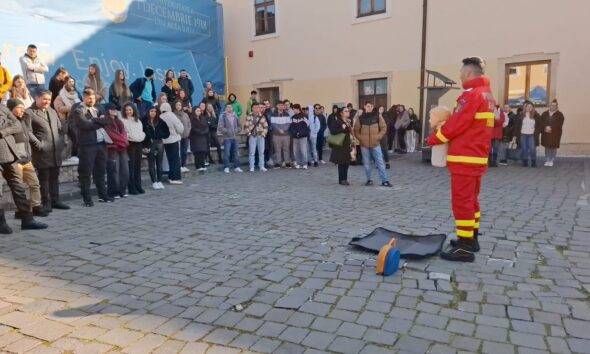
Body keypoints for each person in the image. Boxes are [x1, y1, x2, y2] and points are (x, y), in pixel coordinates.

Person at [426, 57, 496, 262]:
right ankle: (471, 238)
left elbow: (456, 125)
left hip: (465, 157)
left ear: (468, 74)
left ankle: (465, 247)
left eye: (460, 73)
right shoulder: (487, 95)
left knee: (462, 202)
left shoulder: (472, 96)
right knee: (471, 201)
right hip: (476, 157)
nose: (459, 76)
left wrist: (433, 139)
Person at [0, 105, 48, 232]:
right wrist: (6, 124)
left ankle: (27, 219)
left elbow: (17, 124)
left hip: (10, 154)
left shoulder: (2, 108)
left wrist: (3, 131)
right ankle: (1, 223)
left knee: (19, 188)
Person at [24, 90, 71, 212]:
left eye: (49, 100)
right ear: (37, 98)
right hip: (41, 152)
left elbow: (60, 129)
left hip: (55, 151)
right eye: (44, 99)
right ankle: (46, 203)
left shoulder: (52, 111)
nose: (47, 102)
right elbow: (28, 132)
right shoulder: (29, 112)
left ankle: (56, 201)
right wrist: (39, 144)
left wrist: (60, 143)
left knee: (54, 177)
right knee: (44, 178)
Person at [71, 88, 112, 206]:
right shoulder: (79, 110)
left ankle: (103, 196)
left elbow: (107, 120)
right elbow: (84, 125)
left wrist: (94, 120)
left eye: (93, 98)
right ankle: (87, 199)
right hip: (87, 145)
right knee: (86, 172)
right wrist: (99, 122)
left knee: (100, 171)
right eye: (89, 98)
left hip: (101, 144)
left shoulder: (97, 109)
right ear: (84, 97)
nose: (91, 100)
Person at [354, 101, 392, 187]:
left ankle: (384, 180)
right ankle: (369, 179)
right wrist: (361, 138)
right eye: (368, 106)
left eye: (371, 106)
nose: (370, 107)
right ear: (364, 107)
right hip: (364, 145)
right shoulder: (360, 118)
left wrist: (378, 136)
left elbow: (383, 128)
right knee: (366, 164)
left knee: (380, 163)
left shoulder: (378, 116)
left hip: (376, 144)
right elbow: (356, 130)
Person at [102, 103, 129, 198]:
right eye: (112, 109)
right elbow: (112, 135)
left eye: (115, 109)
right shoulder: (105, 122)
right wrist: (123, 142)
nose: (114, 111)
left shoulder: (119, 122)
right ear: (107, 110)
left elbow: (124, 133)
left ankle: (123, 189)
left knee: (125, 170)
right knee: (114, 170)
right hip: (112, 148)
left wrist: (123, 142)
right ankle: (114, 191)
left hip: (122, 148)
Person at [121, 103, 145, 195]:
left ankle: (138, 185)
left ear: (133, 110)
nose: (128, 112)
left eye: (130, 110)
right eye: (126, 110)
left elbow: (141, 131)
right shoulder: (123, 121)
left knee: (137, 166)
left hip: (139, 143)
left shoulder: (138, 121)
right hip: (130, 144)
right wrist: (130, 137)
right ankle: (131, 187)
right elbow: (125, 133)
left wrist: (142, 136)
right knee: (131, 166)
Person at [142, 106, 169, 189]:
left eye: (155, 111)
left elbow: (167, 133)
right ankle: (154, 182)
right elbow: (142, 134)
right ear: (148, 112)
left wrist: (160, 135)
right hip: (149, 144)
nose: (153, 113)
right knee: (151, 164)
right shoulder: (143, 121)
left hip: (159, 143)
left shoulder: (161, 121)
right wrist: (144, 145)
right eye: (151, 111)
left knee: (159, 163)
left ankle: (159, 181)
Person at [158, 103, 184, 184]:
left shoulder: (160, 117)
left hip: (164, 141)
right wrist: (178, 133)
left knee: (170, 159)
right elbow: (180, 127)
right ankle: (174, 177)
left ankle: (170, 176)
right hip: (173, 140)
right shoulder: (172, 115)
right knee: (175, 159)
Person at [329, 106, 354, 185]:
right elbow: (333, 131)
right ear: (341, 113)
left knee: (346, 162)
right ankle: (341, 180)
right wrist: (342, 128)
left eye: (348, 111)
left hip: (347, 144)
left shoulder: (348, 121)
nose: (348, 112)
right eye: (346, 111)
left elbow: (350, 132)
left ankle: (345, 179)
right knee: (341, 162)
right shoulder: (337, 121)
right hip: (340, 144)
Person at [513, 101, 541, 167]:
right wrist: (515, 135)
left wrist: (537, 132)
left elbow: (539, 125)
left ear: (532, 108)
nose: (529, 108)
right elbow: (516, 125)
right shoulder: (521, 115)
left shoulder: (536, 115)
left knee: (532, 148)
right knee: (524, 148)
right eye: (527, 106)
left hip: (531, 135)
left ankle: (533, 162)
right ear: (525, 107)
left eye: (530, 107)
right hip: (522, 134)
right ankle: (525, 162)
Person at [218, 104, 243, 173]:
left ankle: (237, 166)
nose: (229, 108)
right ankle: (226, 167)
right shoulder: (223, 116)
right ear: (225, 108)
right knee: (227, 153)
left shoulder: (235, 116)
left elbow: (240, 126)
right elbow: (220, 127)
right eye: (228, 107)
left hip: (235, 137)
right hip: (227, 138)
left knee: (236, 153)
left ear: (232, 108)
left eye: (230, 107)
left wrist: (237, 130)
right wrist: (227, 131)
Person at [244, 102, 268, 172]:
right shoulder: (249, 116)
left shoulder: (262, 116)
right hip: (252, 136)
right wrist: (249, 134)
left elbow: (266, 126)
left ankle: (262, 166)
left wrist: (263, 134)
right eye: (255, 107)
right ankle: (252, 166)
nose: (256, 109)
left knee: (261, 152)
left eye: (257, 107)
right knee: (252, 152)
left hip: (261, 136)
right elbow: (246, 126)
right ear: (252, 108)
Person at [540, 99, 564, 167]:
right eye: (551, 105)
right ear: (549, 106)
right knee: (547, 146)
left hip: (555, 134)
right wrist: (545, 127)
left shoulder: (560, 114)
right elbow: (541, 122)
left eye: (554, 105)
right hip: (546, 133)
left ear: (556, 106)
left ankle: (552, 160)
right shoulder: (544, 113)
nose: (553, 106)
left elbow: (560, 124)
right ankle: (547, 160)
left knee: (553, 147)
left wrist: (551, 128)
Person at [289, 104, 310, 170]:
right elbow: (290, 127)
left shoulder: (304, 116)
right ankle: (298, 163)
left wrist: (300, 133)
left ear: (298, 109)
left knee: (303, 151)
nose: (293, 110)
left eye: (294, 109)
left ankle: (304, 164)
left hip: (303, 136)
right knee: (296, 151)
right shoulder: (292, 117)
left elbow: (306, 127)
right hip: (295, 137)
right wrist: (295, 133)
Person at [271, 101, 291, 168]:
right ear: (277, 106)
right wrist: (279, 130)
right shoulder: (273, 114)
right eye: (279, 105)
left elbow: (288, 124)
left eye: (282, 105)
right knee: (277, 149)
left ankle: (287, 162)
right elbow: (273, 124)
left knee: (286, 149)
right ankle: (278, 163)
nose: (281, 106)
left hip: (286, 135)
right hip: (276, 135)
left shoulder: (287, 114)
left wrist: (283, 130)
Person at [189, 106, 210, 172]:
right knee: (198, 152)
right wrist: (200, 132)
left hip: (203, 137)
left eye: (199, 111)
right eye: (197, 111)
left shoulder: (203, 118)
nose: (198, 112)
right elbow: (192, 128)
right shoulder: (191, 119)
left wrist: (204, 132)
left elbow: (206, 127)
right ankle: (198, 166)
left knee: (203, 151)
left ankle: (202, 165)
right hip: (196, 137)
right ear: (194, 111)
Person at [173, 100, 191, 172]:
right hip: (177, 137)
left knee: (184, 152)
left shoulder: (185, 115)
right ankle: (179, 166)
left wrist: (188, 131)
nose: (178, 106)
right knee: (178, 152)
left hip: (185, 136)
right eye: (177, 105)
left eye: (179, 105)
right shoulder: (173, 115)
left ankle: (183, 165)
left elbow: (189, 124)